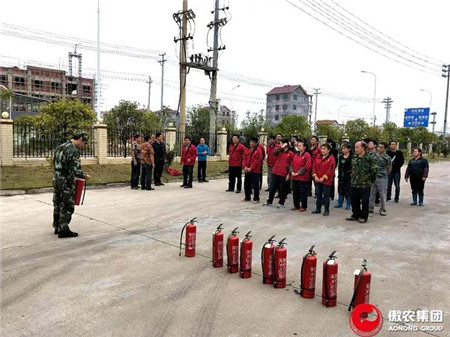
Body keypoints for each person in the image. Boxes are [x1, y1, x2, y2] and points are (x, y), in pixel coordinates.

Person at [52, 132, 90, 238]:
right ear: (80, 140)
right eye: (84, 143)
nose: (83, 145)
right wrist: (84, 176)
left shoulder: (60, 146)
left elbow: (55, 162)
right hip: (66, 180)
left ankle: (57, 226)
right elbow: (75, 169)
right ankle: (63, 229)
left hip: (57, 178)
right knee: (67, 204)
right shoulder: (73, 150)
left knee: (58, 202)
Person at [346, 141, 378, 224]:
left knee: (364, 201)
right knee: (354, 201)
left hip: (365, 184)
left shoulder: (369, 158)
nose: (355, 149)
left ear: (363, 148)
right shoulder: (354, 157)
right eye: (355, 147)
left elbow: (374, 170)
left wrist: (369, 179)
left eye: (357, 147)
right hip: (354, 183)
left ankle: (363, 216)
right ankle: (355, 214)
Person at [263, 139, 294, 208]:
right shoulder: (279, 151)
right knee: (272, 187)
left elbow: (292, 164)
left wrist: (289, 174)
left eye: (281, 144)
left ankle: (281, 202)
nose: (279, 145)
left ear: (286, 145)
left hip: (283, 173)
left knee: (282, 189)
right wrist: (281, 147)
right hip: (275, 171)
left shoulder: (291, 153)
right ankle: (269, 201)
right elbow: (274, 153)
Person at [311, 143, 336, 216]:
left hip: (326, 180)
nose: (323, 150)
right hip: (317, 179)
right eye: (322, 149)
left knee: (326, 196)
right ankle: (318, 209)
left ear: (328, 150)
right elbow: (314, 166)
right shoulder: (318, 157)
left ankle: (326, 210)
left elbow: (330, 170)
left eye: (324, 149)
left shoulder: (331, 158)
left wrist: (323, 177)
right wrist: (315, 176)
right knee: (318, 195)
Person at [368, 142, 392, 216]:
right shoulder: (373, 155)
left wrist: (384, 174)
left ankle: (383, 209)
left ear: (385, 149)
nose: (379, 148)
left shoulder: (387, 157)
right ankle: (370, 208)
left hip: (382, 178)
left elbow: (389, 168)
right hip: (373, 177)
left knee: (382, 194)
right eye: (378, 147)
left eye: (381, 147)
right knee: (372, 193)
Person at [290, 139, 312, 212]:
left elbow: (307, 166)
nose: (299, 147)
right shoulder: (296, 154)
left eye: (300, 146)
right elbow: (292, 164)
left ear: (304, 147)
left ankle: (303, 206)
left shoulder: (307, 155)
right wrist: (292, 171)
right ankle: (296, 205)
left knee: (303, 193)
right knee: (295, 192)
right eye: (298, 146)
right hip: (295, 177)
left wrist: (298, 173)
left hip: (303, 177)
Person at [242, 136, 263, 204]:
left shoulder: (258, 151)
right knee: (246, 184)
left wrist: (251, 168)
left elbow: (257, 161)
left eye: (253, 142)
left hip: (255, 171)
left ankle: (256, 198)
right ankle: (247, 197)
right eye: (251, 142)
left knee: (255, 185)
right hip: (247, 170)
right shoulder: (247, 150)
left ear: (256, 143)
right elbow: (244, 158)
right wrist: (244, 167)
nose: (252, 143)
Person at [334, 143, 352, 210]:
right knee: (340, 189)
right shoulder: (341, 156)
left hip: (348, 176)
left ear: (349, 149)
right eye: (342, 148)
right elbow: (339, 166)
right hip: (341, 175)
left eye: (345, 148)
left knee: (348, 190)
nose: (343, 150)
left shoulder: (351, 157)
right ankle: (340, 203)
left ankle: (348, 204)